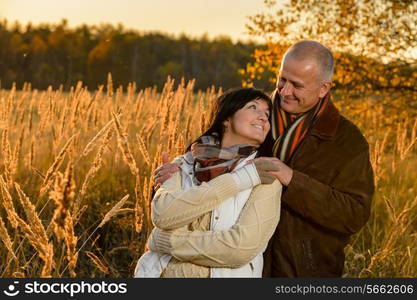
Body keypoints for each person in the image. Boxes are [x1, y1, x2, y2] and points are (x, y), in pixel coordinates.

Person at [153, 41, 375, 277]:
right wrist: (168, 180)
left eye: (297, 85)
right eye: (282, 79)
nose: (284, 91)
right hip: (229, 269)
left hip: (301, 271)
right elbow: (197, 174)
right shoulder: (251, 116)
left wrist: (292, 180)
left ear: (323, 88)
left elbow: (353, 215)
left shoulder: (346, 140)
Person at [134, 88, 282, 277]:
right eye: (253, 107)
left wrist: (167, 242)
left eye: (267, 114)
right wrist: (240, 180)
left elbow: (239, 249)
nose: (263, 117)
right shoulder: (184, 163)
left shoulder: (265, 174)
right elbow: (162, 214)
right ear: (226, 119)